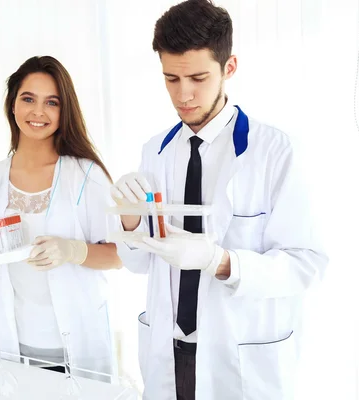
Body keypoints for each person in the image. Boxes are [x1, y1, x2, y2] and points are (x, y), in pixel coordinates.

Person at [110, 1, 328, 399]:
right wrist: (129, 222)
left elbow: (306, 263)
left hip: (241, 356)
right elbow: (138, 264)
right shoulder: (154, 151)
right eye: (171, 79)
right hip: (169, 354)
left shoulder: (275, 151)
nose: (184, 94)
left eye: (197, 77)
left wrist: (219, 261)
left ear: (229, 68)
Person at [0, 55, 121, 381]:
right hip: (13, 344)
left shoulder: (86, 176)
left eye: (51, 102)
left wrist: (73, 251)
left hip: (75, 346)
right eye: (28, 99)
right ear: (12, 105)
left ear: (64, 111)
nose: (38, 112)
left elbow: (121, 254)